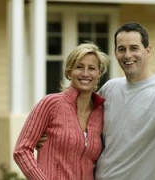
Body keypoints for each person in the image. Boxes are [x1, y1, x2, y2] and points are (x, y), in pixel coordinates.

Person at [37, 22, 155, 180]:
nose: (127, 55)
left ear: (148, 50)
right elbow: (79, 125)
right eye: (121, 49)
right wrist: (49, 138)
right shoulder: (109, 89)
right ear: (115, 52)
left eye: (134, 48)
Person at [13, 42, 109, 180]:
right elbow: (21, 151)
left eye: (92, 68)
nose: (85, 73)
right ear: (69, 72)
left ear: (98, 74)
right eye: (79, 67)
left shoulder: (101, 112)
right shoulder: (51, 104)